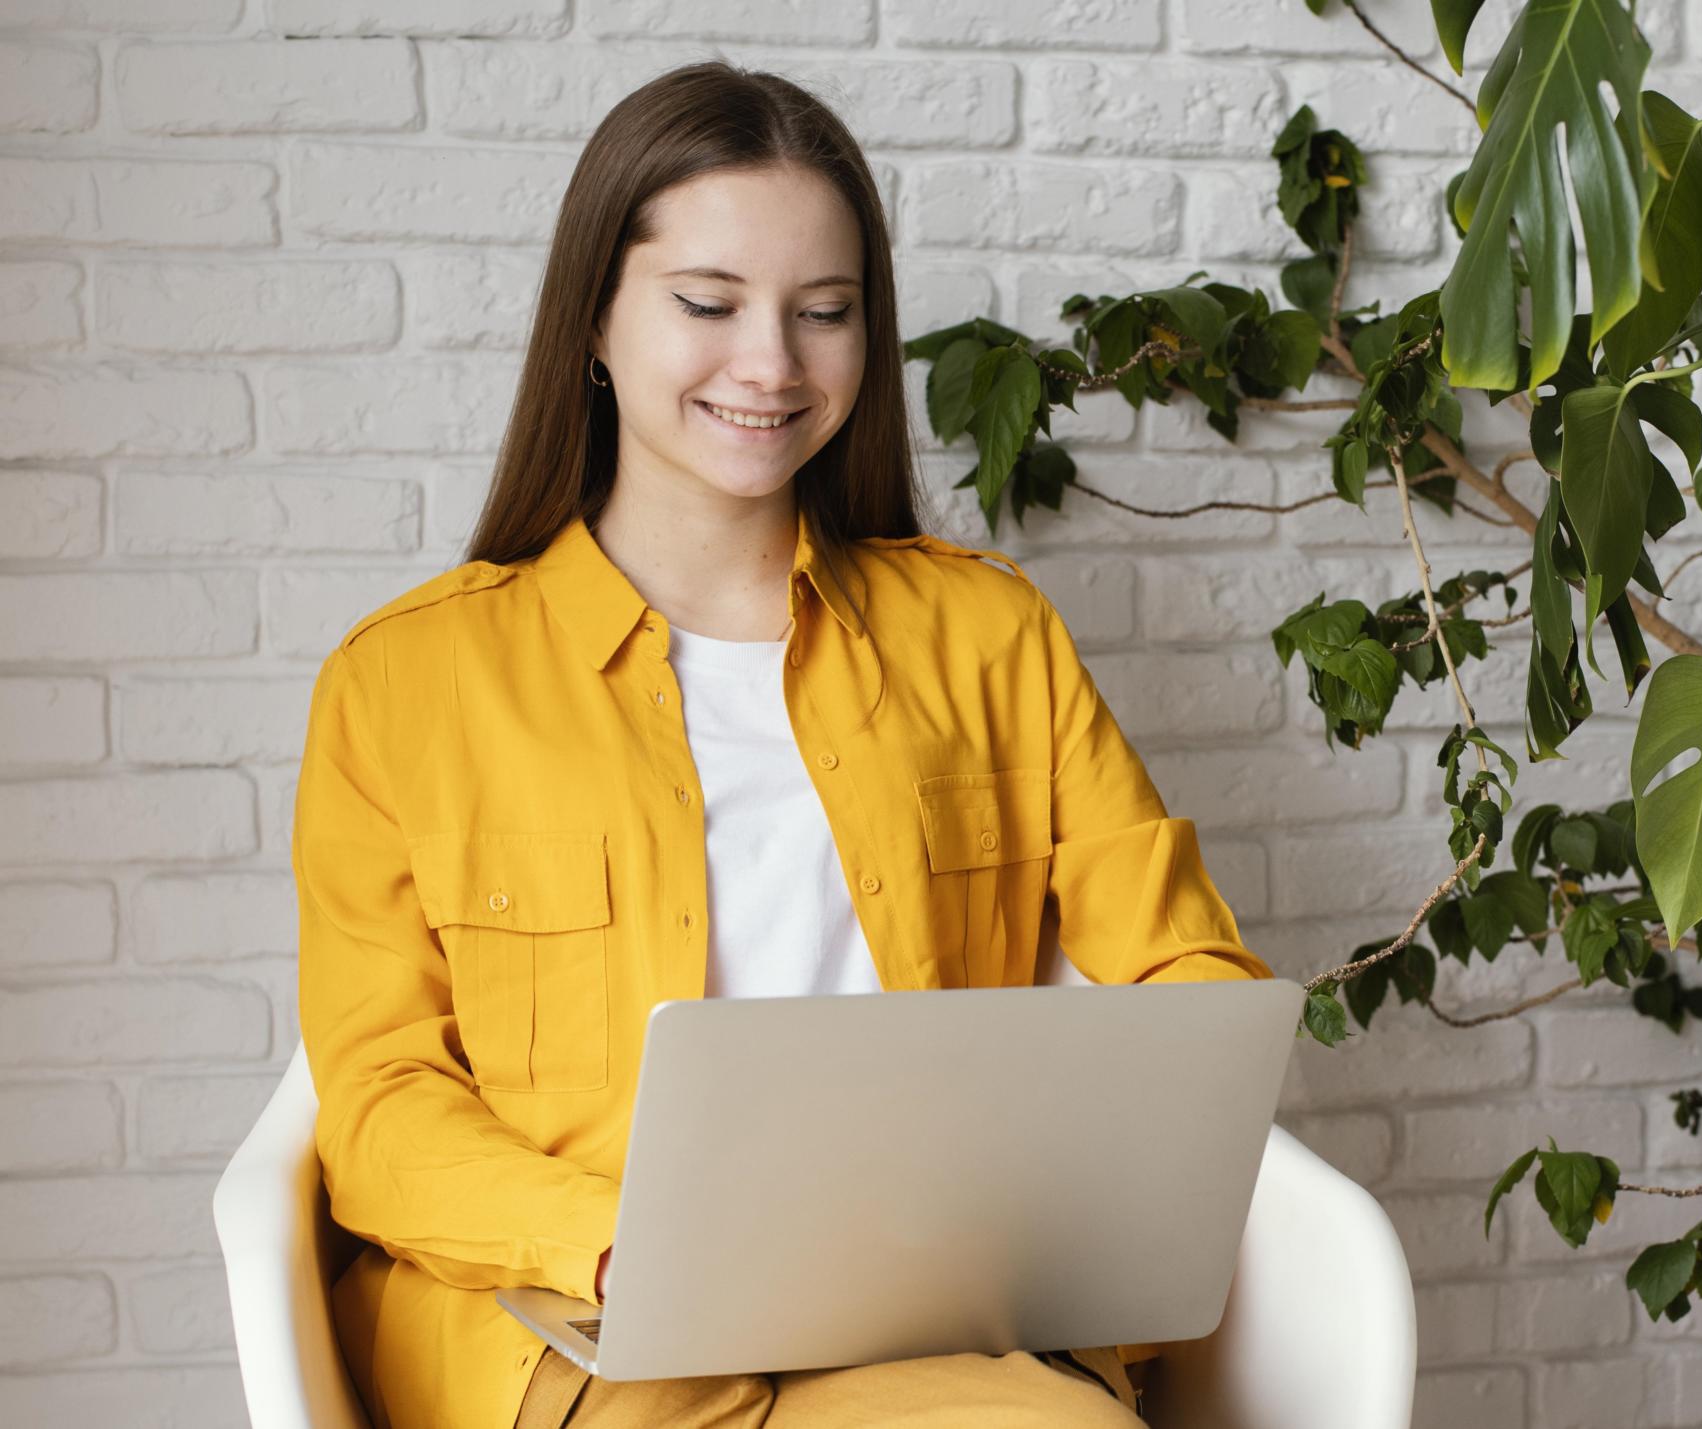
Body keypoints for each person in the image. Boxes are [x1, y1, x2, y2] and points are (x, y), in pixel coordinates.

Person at [291, 60, 1273, 1429]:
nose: (771, 365)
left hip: (915, 1308)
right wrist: (618, 1243)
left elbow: (1192, 988)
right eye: (708, 305)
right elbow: (380, 1099)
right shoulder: (405, 681)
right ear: (593, 320)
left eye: (824, 312)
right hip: (569, 1319)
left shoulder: (988, 636)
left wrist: (1057, 1212)